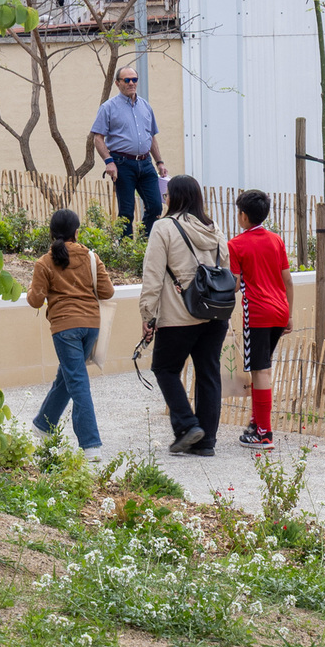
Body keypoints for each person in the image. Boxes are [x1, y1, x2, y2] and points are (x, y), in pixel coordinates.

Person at [139, 174, 229, 457]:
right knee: (208, 373)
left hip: (179, 315)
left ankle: (187, 425)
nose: (163, 199)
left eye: (166, 195)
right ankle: (206, 442)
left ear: (173, 197)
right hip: (215, 314)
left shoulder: (163, 227)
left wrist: (148, 314)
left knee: (164, 368)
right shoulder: (214, 229)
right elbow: (225, 268)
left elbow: (152, 275)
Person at [27, 209, 114, 461]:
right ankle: (43, 426)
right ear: (76, 232)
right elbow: (107, 292)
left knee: (76, 381)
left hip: (65, 328)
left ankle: (91, 446)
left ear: (52, 233)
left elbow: (35, 301)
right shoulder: (90, 257)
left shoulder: (44, 262)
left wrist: (33, 287)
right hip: (91, 326)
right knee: (67, 377)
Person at [227, 190, 292, 450]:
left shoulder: (236, 245)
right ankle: (256, 422)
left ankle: (264, 434)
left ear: (243, 216)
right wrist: (290, 313)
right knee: (263, 366)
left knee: (260, 370)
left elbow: (234, 284)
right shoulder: (276, 240)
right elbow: (287, 279)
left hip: (257, 313)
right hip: (279, 311)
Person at [91, 66, 169, 237]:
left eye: (134, 79)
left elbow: (152, 137)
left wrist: (160, 162)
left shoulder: (146, 106)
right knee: (126, 212)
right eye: (127, 80)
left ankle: (143, 245)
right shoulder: (108, 107)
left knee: (156, 206)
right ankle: (126, 251)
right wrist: (108, 161)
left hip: (146, 162)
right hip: (122, 163)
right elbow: (98, 138)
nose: (131, 83)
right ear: (118, 83)